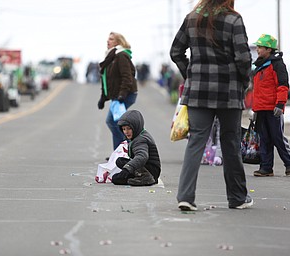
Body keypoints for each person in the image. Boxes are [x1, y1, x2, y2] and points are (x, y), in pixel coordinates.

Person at [170, 0, 253, 211]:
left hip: (198, 91)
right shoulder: (233, 19)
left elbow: (176, 51)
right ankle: (237, 198)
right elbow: (243, 58)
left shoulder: (192, 18)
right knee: (230, 142)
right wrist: (244, 81)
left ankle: (185, 197)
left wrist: (190, 74)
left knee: (196, 141)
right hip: (228, 92)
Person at [251, 34, 290, 177]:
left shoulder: (277, 64)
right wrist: (255, 109)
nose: (258, 49)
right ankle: (266, 168)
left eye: (260, 47)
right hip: (261, 108)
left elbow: (283, 86)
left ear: (269, 49)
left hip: (273, 108)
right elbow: (257, 90)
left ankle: (289, 164)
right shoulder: (259, 66)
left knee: (277, 138)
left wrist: (280, 104)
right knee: (264, 139)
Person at [97, 32, 138, 150]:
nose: (107, 41)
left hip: (126, 94)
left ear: (119, 42)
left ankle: (126, 150)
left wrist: (122, 94)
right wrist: (103, 98)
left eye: (111, 39)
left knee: (113, 123)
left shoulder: (121, 56)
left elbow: (127, 76)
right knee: (116, 123)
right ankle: (120, 152)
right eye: (108, 39)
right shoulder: (111, 57)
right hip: (117, 95)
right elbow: (108, 80)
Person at [111, 110, 161, 186]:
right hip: (148, 168)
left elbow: (142, 156)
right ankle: (141, 176)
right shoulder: (138, 135)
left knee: (116, 179)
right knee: (120, 161)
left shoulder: (140, 139)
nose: (126, 132)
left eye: (129, 128)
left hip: (151, 171)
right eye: (124, 129)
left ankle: (146, 177)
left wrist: (127, 169)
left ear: (135, 127)